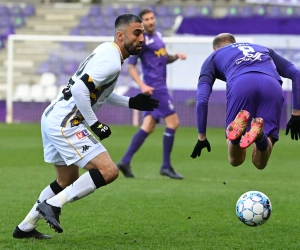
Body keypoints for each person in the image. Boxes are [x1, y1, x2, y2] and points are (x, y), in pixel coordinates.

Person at [12, 13, 159, 239]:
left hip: (53, 116)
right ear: (121, 35)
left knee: (66, 179)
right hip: (65, 123)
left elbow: (96, 91)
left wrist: (131, 102)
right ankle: (53, 205)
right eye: (136, 33)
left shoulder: (107, 51)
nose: (141, 38)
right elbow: (81, 89)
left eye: (142, 33)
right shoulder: (111, 61)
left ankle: (26, 226)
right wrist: (95, 124)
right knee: (108, 171)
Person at [190, 33, 300, 169]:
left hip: (241, 84)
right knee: (260, 163)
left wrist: (202, 135)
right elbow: (296, 73)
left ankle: (236, 136)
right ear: (233, 42)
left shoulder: (213, 57)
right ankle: (260, 136)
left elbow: (201, 99)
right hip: (272, 84)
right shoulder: (262, 48)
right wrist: (296, 113)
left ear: (215, 49)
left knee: (235, 160)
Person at [117, 9, 186, 179]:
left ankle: (125, 161)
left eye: (151, 18)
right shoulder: (142, 41)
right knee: (173, 122)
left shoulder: (159, 37)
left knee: (148, 126)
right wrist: (142, 85)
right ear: (142, 23)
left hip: (158, 86)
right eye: (146, 19)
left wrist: (176, 56)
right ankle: (166, 166)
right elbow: (131, 66)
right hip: (156, 88)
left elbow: (163, 58)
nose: (150, 21)